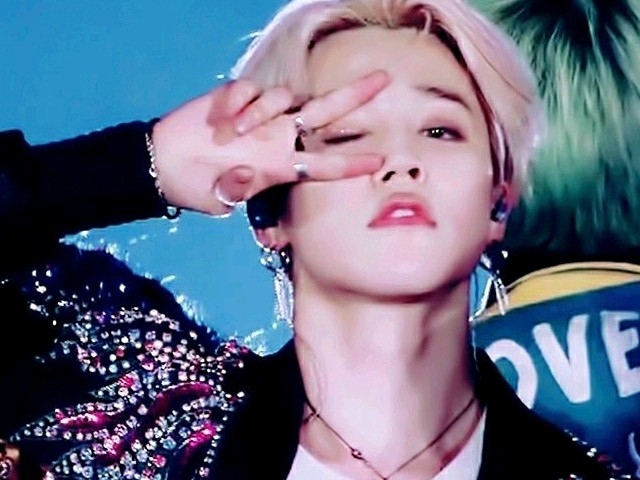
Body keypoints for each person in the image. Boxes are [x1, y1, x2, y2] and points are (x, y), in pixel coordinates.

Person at [0, 0, 631, 478]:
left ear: (499, 200)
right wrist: (145, 164)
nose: (400, 161)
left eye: (440, 131)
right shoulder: (142, 409)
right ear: (269, 213)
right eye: (348, 136)